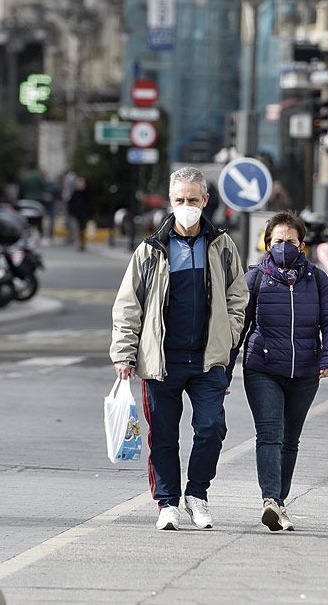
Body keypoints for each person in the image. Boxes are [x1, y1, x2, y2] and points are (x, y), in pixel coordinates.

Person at [111, 166, 248, 531]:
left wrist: (228, 335)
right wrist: (124, 353)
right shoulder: (151, 249)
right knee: (164, 437)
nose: (186, 206)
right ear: (170, 202)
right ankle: (167, 503)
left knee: (211, 428)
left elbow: (238, 296)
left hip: (207, 361)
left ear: (205, 201)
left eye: (192, 199)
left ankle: (197, 494)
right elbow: (129, 305)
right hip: (162, 362)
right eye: (179, 200)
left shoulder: (221, 246)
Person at [231, 212, 328, 531]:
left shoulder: (317, 279)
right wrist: (223, 373)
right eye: (277, 241)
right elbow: (239, 328)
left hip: (306, 371)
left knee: (290, 439)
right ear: (267, 244)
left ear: (302, 245)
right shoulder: (254, 278)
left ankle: (280, 503)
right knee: (270, 433)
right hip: (263, 368)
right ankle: (270, 500)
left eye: (290, 241)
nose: (284, 246)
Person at [66, 177, 94, 251]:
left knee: (82, 229)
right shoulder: (75, 193)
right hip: (76, 214)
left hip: (84, 214)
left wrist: (90, 215)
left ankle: (82, 243)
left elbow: (90, 205)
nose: (79, 185)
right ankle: (79, 242)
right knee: (77, 229)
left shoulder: (88, 193)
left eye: (81, 183)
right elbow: (70, 204)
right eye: (78, 183)